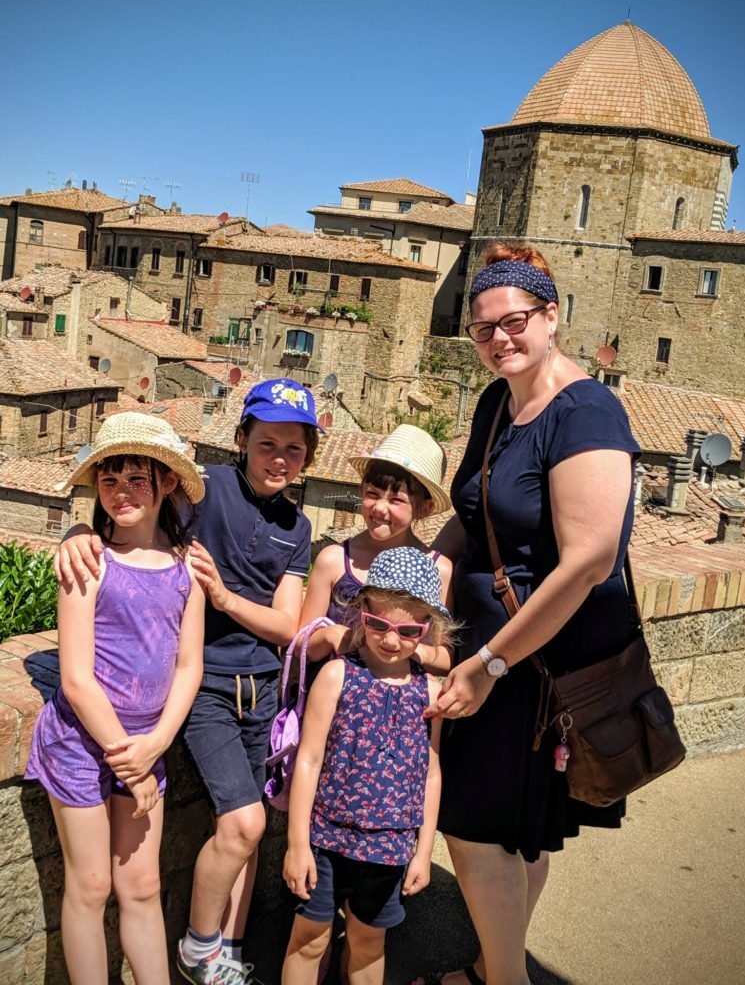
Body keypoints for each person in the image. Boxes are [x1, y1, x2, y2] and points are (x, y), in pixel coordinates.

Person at [54, 378, 321, 985]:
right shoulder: (208, 491)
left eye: (294, 450)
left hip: (257, 689)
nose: (279, 459)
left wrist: (223, 594)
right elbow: (127, 510)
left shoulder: (298, 529)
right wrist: (74, 535)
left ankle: (225, 951)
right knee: (243, 823)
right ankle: (202, 950)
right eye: (266, 444)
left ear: (307, 460)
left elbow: (287, 625)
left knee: (242, 833)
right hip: (205, 693)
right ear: (240, 442)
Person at [423, 244, 640, 985]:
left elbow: (587, 560)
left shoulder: (587, 412)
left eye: (513, 322)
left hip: (530, 665)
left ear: (551, 316)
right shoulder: (498, 401)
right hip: (495, 653)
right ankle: (496, 966)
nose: (498, 341)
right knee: (519, 836)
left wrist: (488, 665)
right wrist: (437, 567)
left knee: (472, 829)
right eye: (483, 330)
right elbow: (475, 511)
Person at [25, 412, 206, 985]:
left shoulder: (188, 570)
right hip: (81, 743)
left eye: (137, 478)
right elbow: (76, 679)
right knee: (91, 885)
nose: (122, 492)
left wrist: (153, 747)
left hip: (144, 749)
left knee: (142, 885)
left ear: (167, 483)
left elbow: (189, 668)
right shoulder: (88, 562)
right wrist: (133, 760)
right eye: (110, 480)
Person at [282, 547, 451, 985]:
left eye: (408, 630)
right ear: (361, 614)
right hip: (326, 839)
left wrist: (425, 850)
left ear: (428, 629)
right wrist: (298, 843)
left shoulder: (429, 693)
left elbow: (431, 773)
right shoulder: (337, 676)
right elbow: (309, 760)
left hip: (391, 847)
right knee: (310, 940)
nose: (391, 641)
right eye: (378, 625)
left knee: (367, 944)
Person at [300, 422, 453, 672]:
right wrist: (331, 636)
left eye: (396, 500)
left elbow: (446, 656)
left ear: (425, 508)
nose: (380, 508)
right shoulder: (333, 560)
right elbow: (301, 646)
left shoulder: (439, 570)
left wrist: (407, 647)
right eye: (372, 494)